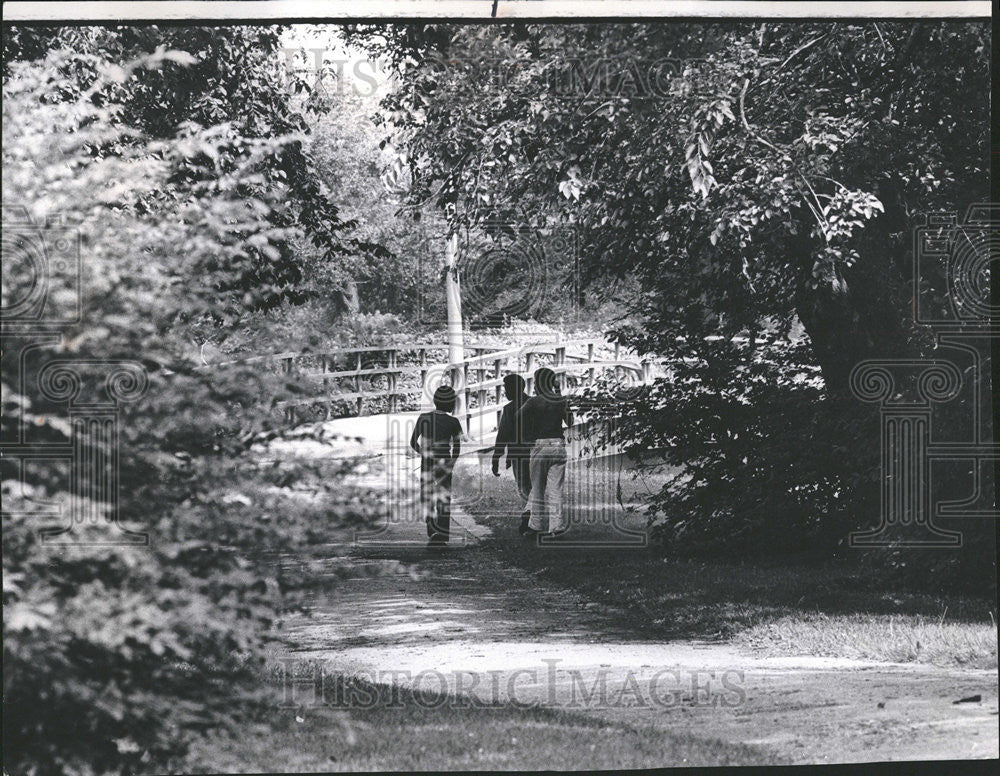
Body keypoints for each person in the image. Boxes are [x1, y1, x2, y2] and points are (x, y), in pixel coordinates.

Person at [516, 367, 573, 538]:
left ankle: (535, 526)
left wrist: (527, 435)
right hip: (558, 445)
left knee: (538, 488)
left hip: (540, 445)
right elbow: (570, 421)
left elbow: (518, 415)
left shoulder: (534, 402)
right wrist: (559, 391)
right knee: (556, 488)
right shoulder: (561, 400)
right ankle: (557, 528)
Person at [409, 385, 463, 547]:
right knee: (444, 498)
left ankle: (431, 528)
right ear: (451, 403)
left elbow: (413, 442)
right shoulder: (454, 422)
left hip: (427, 462)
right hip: (445, 462)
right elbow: (457, 447)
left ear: (435, 401)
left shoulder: (423, 417)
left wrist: (424, 453)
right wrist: (452, 463)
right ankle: (442, 534)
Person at [491, 373, 532, 534]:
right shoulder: (534, 403)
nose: (505, 392)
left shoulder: (509, 409)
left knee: (524, 487)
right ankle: (534, 517)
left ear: (514, 389)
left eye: (507, 389)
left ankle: (528, 518)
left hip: (519, 453)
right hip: (535, 450)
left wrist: (496, 457)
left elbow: (503, 435)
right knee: (535, 486)